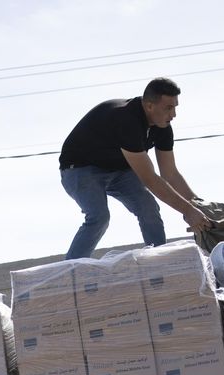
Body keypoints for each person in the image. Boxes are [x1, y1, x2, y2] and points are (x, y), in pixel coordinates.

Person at [59, 77, 213, 259]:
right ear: (149, 106)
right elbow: (150, 179)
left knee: (148, 208)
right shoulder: (126, 119)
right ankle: (70, 271)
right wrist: (187, 211)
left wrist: (198, 206)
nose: (173, 115)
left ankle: (160, 263)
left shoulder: (162, 126)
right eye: (168, 108)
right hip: (80, 168)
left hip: (119, 170)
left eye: (175, 107)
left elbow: (170, 174)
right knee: (99, 216)